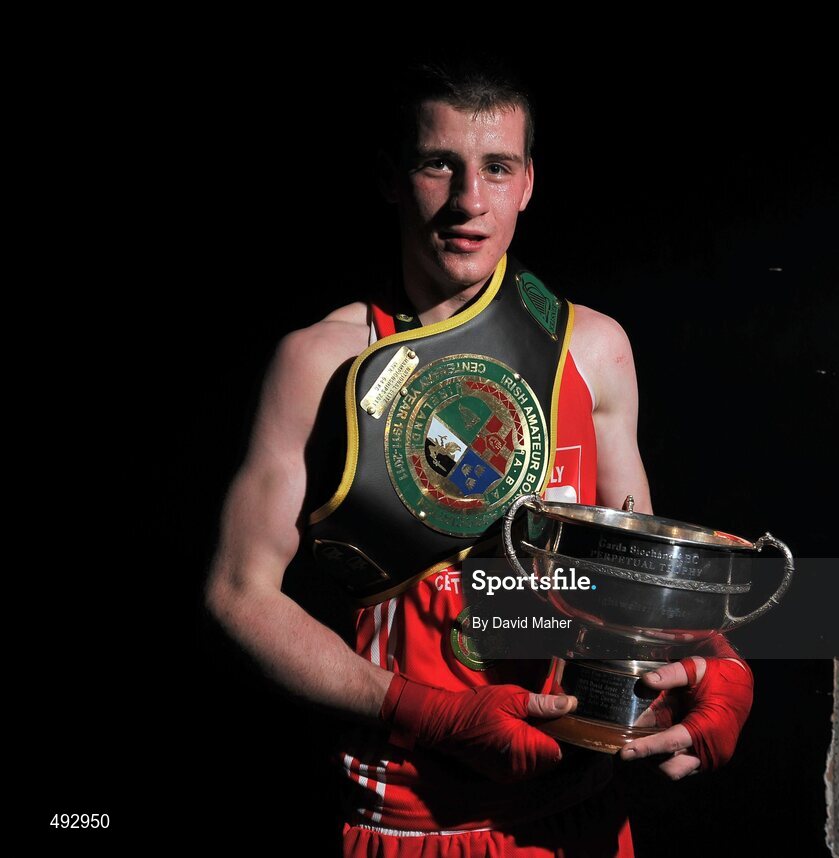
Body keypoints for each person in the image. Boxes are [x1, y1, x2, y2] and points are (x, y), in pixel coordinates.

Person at [206, 58, 753, 857]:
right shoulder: (321, 364)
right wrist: (419, 710)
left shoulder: (592, 351)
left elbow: (637, 583)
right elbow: (236, 596)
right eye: (439, 164)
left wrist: (717, 667)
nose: (469, 200)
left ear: (527, 183)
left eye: (496, 168)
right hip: (408, 821)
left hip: (579, 821)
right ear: (392, 178)